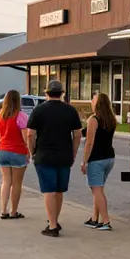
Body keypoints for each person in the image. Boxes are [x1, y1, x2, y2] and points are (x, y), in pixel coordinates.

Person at [27, 80, 82, 238]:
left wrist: (32, 152)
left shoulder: (39, 110)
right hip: (64, 155)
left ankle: (52, 225)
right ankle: (55, 220)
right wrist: (73, 152)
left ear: (46, 93)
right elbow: (77, 134)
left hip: (44, 155)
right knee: (59, 190)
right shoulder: (70, 110)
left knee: (49, 191)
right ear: (62, 93)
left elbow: (30, 134)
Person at [80, 92, 116, 231]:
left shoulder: (94, 119)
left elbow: (89, 143)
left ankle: (105, 221)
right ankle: (94, 218)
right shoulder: (111, 119)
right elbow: (86, 133)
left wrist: (84, 161)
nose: (91, 101)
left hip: (96, 159)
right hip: (109, 158)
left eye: (93, 99)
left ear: (98, 103)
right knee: (98, 189)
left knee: (97, 190)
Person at [0, 89, 29, 220]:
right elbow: (26, 137)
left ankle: (3, 210)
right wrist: (30, 151)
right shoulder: (21, 116)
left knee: (5, 181)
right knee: (16, 183)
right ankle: (14, 211)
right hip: (18, 151)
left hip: (2, 150)